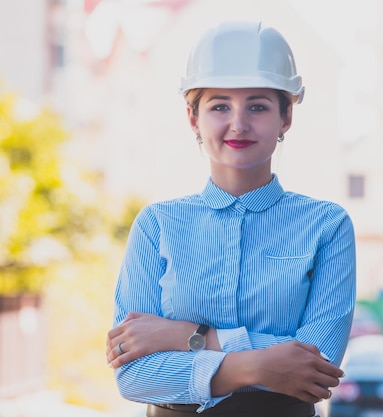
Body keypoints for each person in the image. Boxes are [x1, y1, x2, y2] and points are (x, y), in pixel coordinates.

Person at [104, 20, 356, 417]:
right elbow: (134, 375)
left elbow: (316, 368)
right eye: (219, 105)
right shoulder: (157, 225)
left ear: (286, 118)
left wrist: (189, 337)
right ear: (193, 118)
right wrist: (255, 364)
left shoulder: (327, 226)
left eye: (257, 106)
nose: (238, 124)